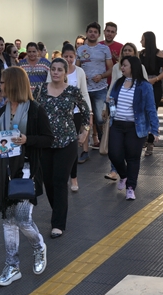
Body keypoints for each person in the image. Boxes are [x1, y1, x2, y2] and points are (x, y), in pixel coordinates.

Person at [0, 67, 53, 287]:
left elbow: (48, 139)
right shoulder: (3, 110)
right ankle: (12, 266)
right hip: (4, 171)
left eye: (2, 82)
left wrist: (26, 139)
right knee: (8, 220)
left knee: (21, 218)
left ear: (12, 84)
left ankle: (38, 246)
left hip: (26, 170)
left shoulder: (35, 110)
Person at [34, 58, 90, 238]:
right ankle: (57, 208)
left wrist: (84, 132)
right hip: (45, 142)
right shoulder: (40, 90)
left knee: (59, 180)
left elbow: (85, 111)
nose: (56, 72)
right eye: (53, 69)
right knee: (48, 181)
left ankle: (58, 223)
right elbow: (31, 110)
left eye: (60, 69)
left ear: (66, 73)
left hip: (67, 141)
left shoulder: (73, 91)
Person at [108, 56, 159, 200]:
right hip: (117, 124)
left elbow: (151, 108)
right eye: (122, 65)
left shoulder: (144, 86)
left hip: (135, 127)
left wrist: (154, 129)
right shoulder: (119, 83)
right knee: (114, 154)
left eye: (125, 66)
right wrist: (110, 107)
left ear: (133, 67)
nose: (122, 68)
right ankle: (123, 176)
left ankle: (131, 187)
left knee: (133, 158)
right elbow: (112, 100)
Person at [104, 43, 149, 180]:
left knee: (130, 152)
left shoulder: (141, 68)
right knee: (115, 150)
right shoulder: (117, 67)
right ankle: (115, 171)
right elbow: (113, 86)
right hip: (117, 113)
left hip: (133, 119)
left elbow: (145, 86)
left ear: (135, 53)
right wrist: (107, 107)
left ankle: (129, 181)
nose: (127, 52)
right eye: (125, 50)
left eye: (130, 50)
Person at [58, 44, 92, 184]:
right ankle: (61, 175)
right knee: (60, 146)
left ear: (75, 57)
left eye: (71, 56)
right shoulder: (56, 69)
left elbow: (84, 92)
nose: (68, 59)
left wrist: (88, 112)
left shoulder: (79, 72)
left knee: (72, 147)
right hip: (59, 114)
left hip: (76, 112)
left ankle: (74, 177)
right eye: (65, 56)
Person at [76, 22, 113, 149]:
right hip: (84, 89)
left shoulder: (104, 49)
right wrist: (82, 75)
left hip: (100, 89)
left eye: (95, 32)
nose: (92, 34)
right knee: (84, 118)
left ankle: (104, 143)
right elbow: (76, 67)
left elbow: (111, 69)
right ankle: (84, 145)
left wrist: (101, 76)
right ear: (86, 33)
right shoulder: (80, 49)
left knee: (100, 119)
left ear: (98, 34)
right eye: (90, 31)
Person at [139, 31, 163, 156]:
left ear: (148, 40)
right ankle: (143, 138)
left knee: (152, 112)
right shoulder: (141, 54)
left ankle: (151, 143)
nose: (140, 41)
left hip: (154, 85)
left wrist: (155, 79)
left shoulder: (159, 54)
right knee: (142, 112)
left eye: (142, 39)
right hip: (142, 85)